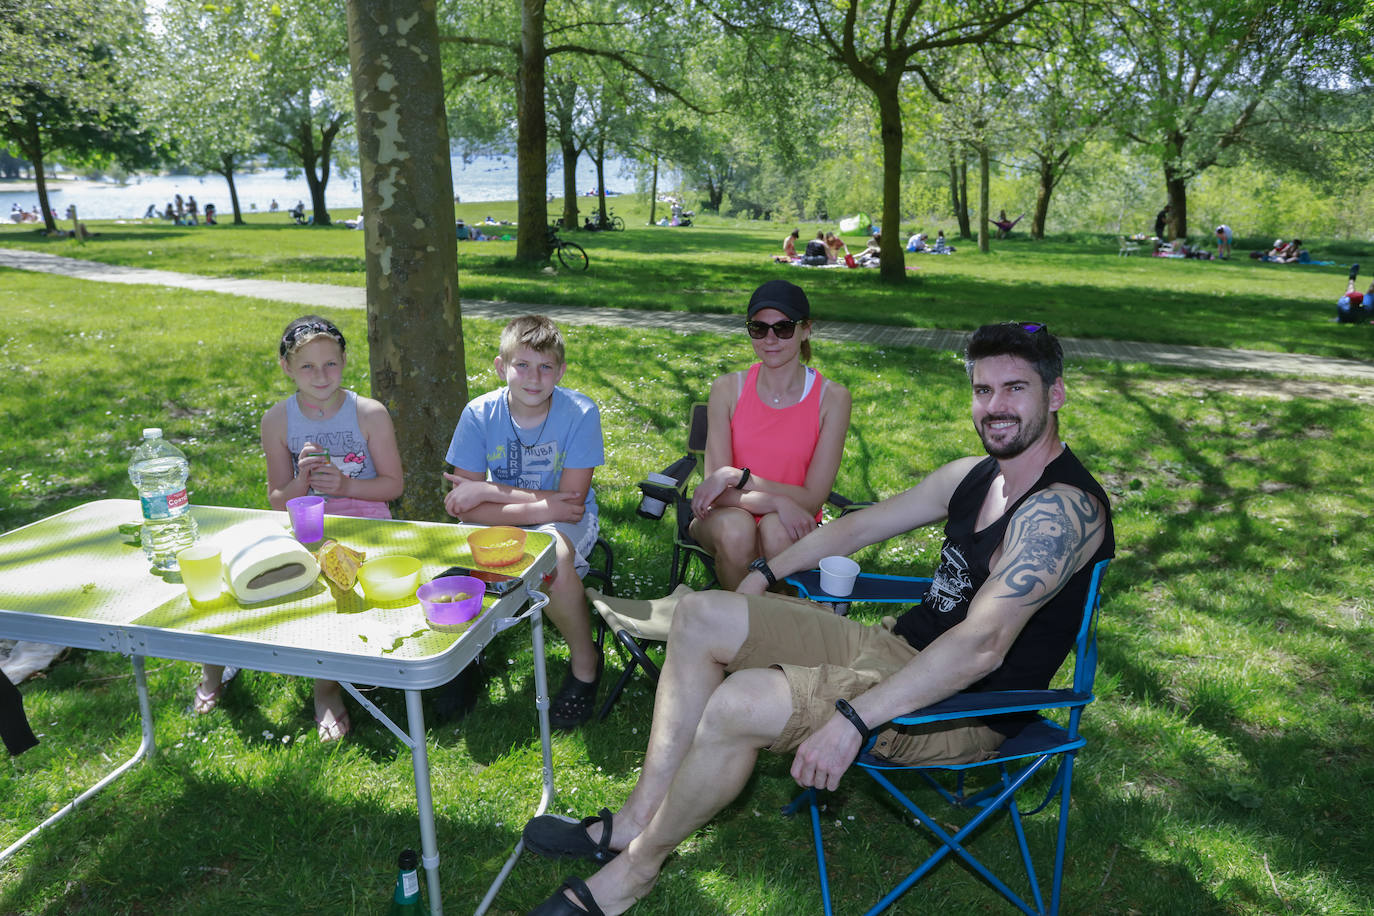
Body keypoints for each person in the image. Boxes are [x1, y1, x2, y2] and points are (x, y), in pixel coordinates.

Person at [521, 321, 1115, 916]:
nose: (995, 407)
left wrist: (854, 721)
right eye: (984, 391)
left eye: (1015, 389)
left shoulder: (1061, 512)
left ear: (1054, 395)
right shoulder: (976, 475)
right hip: (894, 650)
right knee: (701, 613)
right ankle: (632, 822)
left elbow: (982, 645)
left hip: (958, 706)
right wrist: (763, 574)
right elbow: (858, 527)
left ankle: (634, 873)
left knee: (739, 703)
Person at [193, 316, 404, 742]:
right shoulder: (277, 420)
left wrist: (345, 485)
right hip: (307, 528)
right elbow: (277, 499)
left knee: (341, 591)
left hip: (368, 526)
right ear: (287, 368)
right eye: (307, 366)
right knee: (243, 579)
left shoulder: (369, 413)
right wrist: (301, 482)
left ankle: (325, 690)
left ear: (344, 361)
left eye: (330, 364)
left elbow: (393, 485)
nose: (321, 375)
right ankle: (212, 667)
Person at [443, 316, 606, 729]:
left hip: (568, 524)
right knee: (454, 558)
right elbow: (464, 508)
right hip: (511, 520)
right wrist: (535, 506)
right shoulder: (479, 414)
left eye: (546, 367)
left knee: (552, 555)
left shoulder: (580, 412)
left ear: (561, 371)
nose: (534, 378)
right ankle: (462, 662)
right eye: (522, 365)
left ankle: (586, 663)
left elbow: (571, 506)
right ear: (501, 367)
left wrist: (489, 492)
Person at [685, 280, 851, 590]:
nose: (771, 339)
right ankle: (748, 629)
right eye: (758, 328)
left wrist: (739, 477)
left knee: (777, 531)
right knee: (737, 530)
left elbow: (813, 498)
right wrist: (776, 501)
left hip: (791, 521)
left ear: (806, 329)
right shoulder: (727, 389)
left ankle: (773, 629)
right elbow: (717, 491)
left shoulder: (833, 398)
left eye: (784, 327)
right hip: (727, 515)